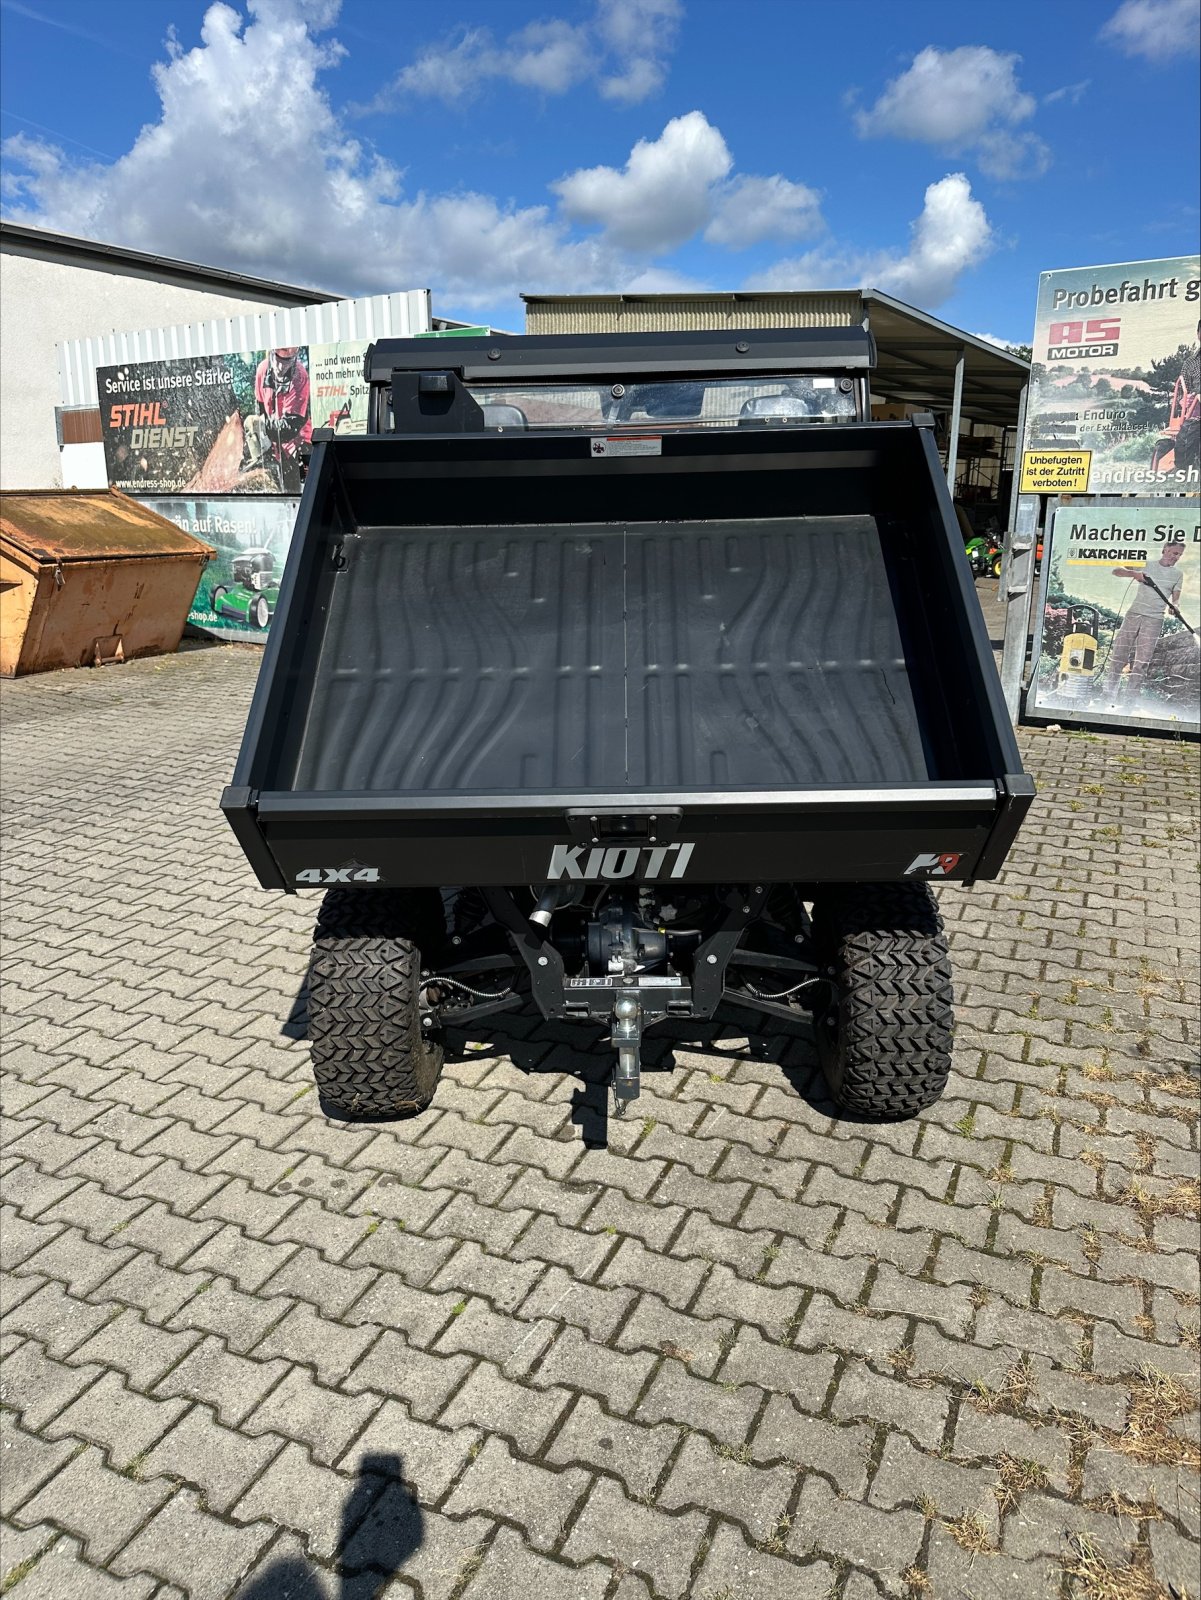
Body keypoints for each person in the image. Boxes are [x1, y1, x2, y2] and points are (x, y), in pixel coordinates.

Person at [1103, 539, 1187, 702]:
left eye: (1180, 555)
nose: (1176, 557)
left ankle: (1129, 699)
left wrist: (1175, 606)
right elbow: (1116, 571)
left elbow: (1176, 599)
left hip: (1154, 620)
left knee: (1142, 662)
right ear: (1165, 550)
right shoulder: (1146, 564)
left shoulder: (1178, 575)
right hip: (1134, 614)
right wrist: (1135, 574)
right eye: (1175, 553)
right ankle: (1108, 695)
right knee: (1119, 655)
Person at [253, 347, 312, 491]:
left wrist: (264, 427)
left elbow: (289, 427)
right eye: (278, 360)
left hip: (300, 445)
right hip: (276, 448)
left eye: (286, 362)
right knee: (280, 492)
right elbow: (260, 407)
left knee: (305, 492)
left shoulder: (300, 376)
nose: (280, 367)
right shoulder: (262, 370)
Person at [1176, 319, 1200, 480]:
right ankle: (1185, 470)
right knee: (1189, 432)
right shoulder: (1190, 363)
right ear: (1199, 334)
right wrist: (1186, 400)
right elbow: (1181, 395)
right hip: (1197, 412)